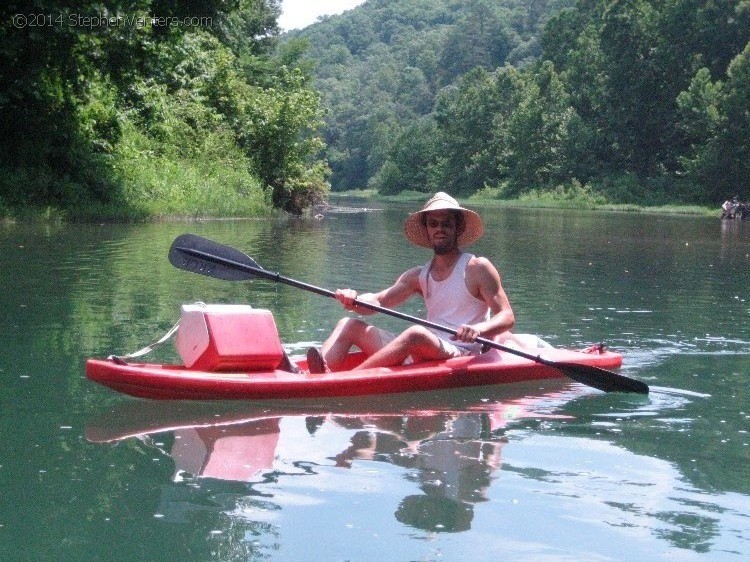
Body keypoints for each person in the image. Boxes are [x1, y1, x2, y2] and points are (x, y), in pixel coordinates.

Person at [306, 192, 516, 373]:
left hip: (459, 353)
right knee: (348, 324)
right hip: (425, 349)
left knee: (416, 333)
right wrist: (354, 299)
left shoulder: (477, 268)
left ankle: (347, 380)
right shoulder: (419, 276)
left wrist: (478, 329)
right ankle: (311, 376)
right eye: (433, 223)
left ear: (458, 227)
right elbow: (379, 300)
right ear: (426, 229)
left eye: (446, 223)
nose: (439, 229)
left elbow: (507, 316)